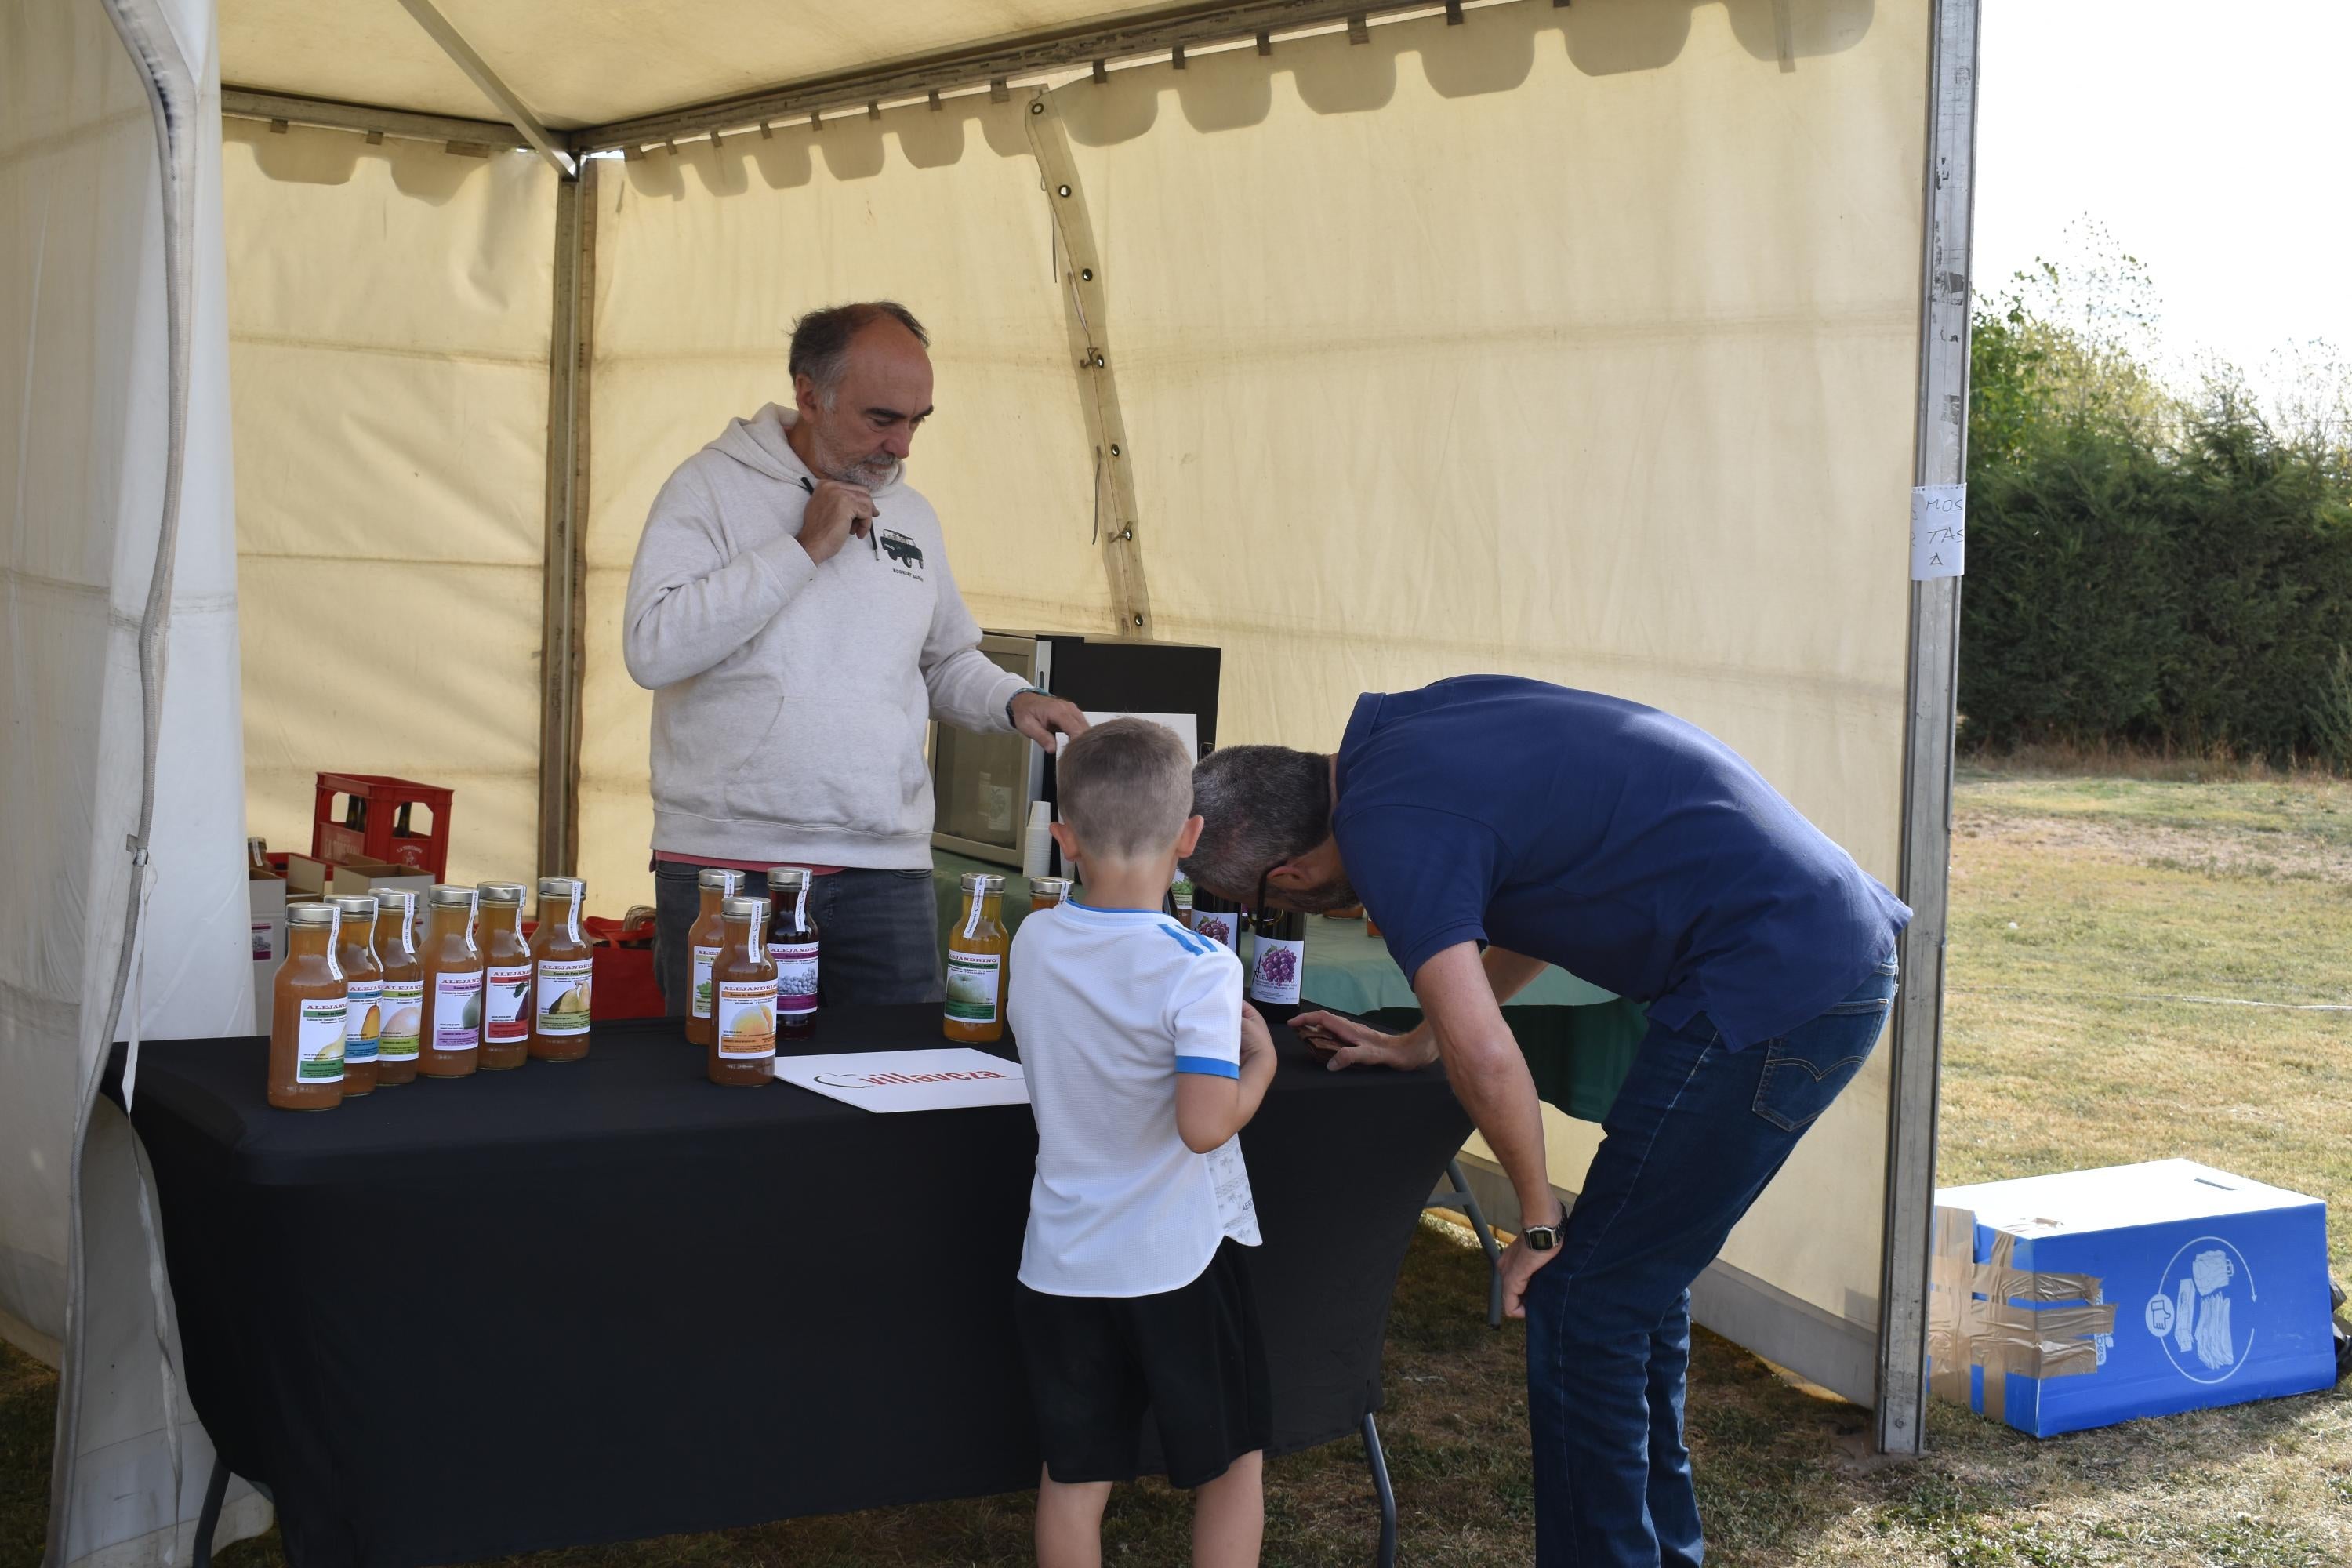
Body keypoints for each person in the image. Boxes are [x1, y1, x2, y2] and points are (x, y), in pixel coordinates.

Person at [1181, 675, 1911, 1568]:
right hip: (1811, 941)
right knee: (1631, 1281)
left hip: (1782, 980)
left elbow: (1489, 1056)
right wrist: (1419, 1041)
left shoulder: (1388, 830)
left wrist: (1536, 1219)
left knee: (1582, 1296)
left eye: (1261, 903)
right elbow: (1545, 890)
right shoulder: (1396, 736)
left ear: (1287, 875)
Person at [622, 301, 1087, 1012]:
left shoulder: (914, 515)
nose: (902, 446)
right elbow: (653, 646)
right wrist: (802, 549)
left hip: (887, 869)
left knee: (898, 1093)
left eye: (917, 421)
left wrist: (1013, 700)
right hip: (729, 865)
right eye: (882, 419)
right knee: (730, 1098)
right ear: (809, 393)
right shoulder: (710, 486)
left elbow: (940, 661)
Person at [1008, 719, 1276, 1568]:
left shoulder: (1033, 938)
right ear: (1191, 837)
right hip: (1176, 1259)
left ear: (1063, 839)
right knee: (1232, 1463)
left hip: (1060, 1258)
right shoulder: (1198, 967)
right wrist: (1261, 1065)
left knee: (1074, 1473)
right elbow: (1204, 1124)